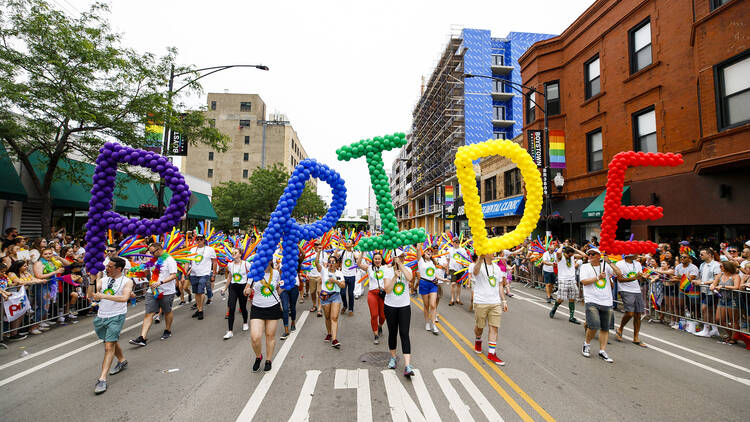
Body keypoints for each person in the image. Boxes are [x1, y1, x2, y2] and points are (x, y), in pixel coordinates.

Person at [92, 257, 133, 395]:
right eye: (106, 266)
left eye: (110, 266)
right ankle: (122, 360)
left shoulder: (127, 281)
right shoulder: (103, 280)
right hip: (101, 317)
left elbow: (124, 298)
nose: (106, 268)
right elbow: (90, 295)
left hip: (117, 316)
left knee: (109, 346)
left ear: (119, 269)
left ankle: (102, 379)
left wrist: (103, 296)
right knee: (111, 341)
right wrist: (91, 281)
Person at [129, 241, 177, 346]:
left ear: (159, 249)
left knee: (167, 311)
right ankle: (142, 337)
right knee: (148, 313)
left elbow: (174, 275)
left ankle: (167, 330)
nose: (150, 255)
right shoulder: (153, 261)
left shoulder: (170, 260)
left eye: (152, 252)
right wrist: (143, 271)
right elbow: (149, 273)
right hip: (152, 290)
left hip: (166, 291)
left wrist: (160, 282)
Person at [579, 248, 621, 363]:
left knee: (605, 327)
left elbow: (619, 274)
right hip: (591, 300)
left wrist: (609, 262)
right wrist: (598, 277)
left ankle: (602, 351)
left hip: (606, 301)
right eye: (589, 254)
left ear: (599, 256)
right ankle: (586, 344)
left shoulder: (606, 266)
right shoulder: (585, 266)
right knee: (594, 325)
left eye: (593, 254)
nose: (590, 255)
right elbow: (584, 281)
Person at [244, 259, 282, 372]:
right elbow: (246, 289)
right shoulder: (254, 273)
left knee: (270, 336)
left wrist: (283, 290)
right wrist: (247, 291)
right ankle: (258, 356)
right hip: (257, 307)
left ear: (271, 261)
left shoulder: (276, 273)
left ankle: (268, 360)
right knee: (255, 337)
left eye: (268, 260)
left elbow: (278, 289)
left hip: (273, 306)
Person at [471, 252, 508, 366]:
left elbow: (500, 285)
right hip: (481, 302)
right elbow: (475, 272)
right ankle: (478, 339)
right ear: (485, 253)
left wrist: (503, 300)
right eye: (491, 251)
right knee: (480, 327)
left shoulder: (497, 268)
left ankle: (492, 353)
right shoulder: (477, 265)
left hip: (495, 302)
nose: (494, 253)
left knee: (494, 327)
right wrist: (480, 259)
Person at [384, 251, 416, 376]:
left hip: (404, 306)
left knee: (404, 333)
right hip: (390, 306)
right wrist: (394, 277)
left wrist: (401, 266)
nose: (402, 258)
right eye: (399, 257)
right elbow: (387, 290)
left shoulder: (407, 268)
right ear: (393, 258)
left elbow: (409, 278)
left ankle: (408, 365)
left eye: (403, 256)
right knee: (392, 332)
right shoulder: (387, 270)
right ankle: (393, 358)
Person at [614, 254, 648, 347]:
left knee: (638, 314)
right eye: (635, 253)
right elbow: (620, 279)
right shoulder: (619, 264)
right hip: (625, 290)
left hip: (636, 290)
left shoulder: (637, 264)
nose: (637, 255)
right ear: (629, 254)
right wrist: (634, 278)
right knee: (629, 313)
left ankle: (636, 337)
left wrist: (644, 276)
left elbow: (639, 276)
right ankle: (620, 329)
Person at [358, 251, 391, 344]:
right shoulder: (369, 268)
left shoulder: (385, 267)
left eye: (379, 259)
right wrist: (362, 252)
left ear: (381, 260)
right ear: (373, 259)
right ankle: (375, 334)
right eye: (375, 259)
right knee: (374, 315)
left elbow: (395, 264)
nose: (377, 260)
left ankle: (380, 325)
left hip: (383, 294)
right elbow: (359, 264)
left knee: (383, 316)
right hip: (372, 293)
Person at [549, 246, 583, 324]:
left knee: (572, 298)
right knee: (561, 298)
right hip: (563, 280)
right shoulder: (560, 257)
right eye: (569, 255)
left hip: (572, 280)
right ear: (565, 253)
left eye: (572, 255)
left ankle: (571, 317)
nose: (571, 256)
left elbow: (583, 255)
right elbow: (558, 252)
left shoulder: (572, 256)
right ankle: (554, 308)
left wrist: (574, 249)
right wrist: (562, 246)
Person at [187, 235, 217, 320]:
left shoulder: (210, 249)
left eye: (201, 239)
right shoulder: (192, 249)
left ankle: (200, 310)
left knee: (200, 291)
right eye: (197, 239)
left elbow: (214, 262)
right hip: (193, 274)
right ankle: (199, 309)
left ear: (204, 240)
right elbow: (187, 262)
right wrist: (185, 272)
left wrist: (214, 274)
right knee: (196, 293)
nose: (199, 240)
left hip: (205, 274)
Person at [221, 249, 249, 340]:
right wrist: (225, 288)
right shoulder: (230, 265)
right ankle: (230, 331)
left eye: (235, 253)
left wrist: (248, 287)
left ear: (240, 254)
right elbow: (229, 277)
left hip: (243, 287)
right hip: (233, 287)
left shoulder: (246, 264)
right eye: (232, 253)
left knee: (243, 307)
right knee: (231, 307)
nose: (233, 254)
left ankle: (245, 322)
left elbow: (251, 276)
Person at [710, 261, 741, 344]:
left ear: (727, 267)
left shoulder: (735, 276)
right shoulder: (720, 275)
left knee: (733, 320)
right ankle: (731, 335)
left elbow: (736, 287)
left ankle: (734, 338)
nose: (720, 268)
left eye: (721, 266)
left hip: (733, 300)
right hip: (722, 299)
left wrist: (723, 286)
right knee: (719, 319)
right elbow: (714, 283)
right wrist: (712, 286)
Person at [319, 254, 345, 348]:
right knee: (327, 317)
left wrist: (335, 281)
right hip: (325, 297)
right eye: (329, 261)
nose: (331, 263)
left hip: (335, 296)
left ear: (337, 264)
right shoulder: (323, 271)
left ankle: (334, 339)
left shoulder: (339, 273)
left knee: (334, 317)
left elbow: (343, 286)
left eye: (333, 262)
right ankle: (329, 333)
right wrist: (318, 251)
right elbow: (316, 263)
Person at [695, 248, 721, 337]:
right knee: (709, 310)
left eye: (702, 254)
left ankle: (706, 330)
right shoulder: (702, 265)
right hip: (703, 290)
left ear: (709, 255)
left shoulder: (716, 265)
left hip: (711, 291)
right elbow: (700, 277)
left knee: (704, 309)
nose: (700, 256)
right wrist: (697, 281)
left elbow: (716, 279)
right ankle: (714, 329)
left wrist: (702, 283)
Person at [415, 245, 440, 334]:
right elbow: (418, 253)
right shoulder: (421, 261)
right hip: (424, 284)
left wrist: (440, 279)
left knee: (433, 305)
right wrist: (418, 248)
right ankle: (427, 322)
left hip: (433, 284)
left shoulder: (433, 263)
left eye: (431, 252)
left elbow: (434, 274)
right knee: (426, 305)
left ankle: (434, 324)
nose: (429, 252)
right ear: (424, 253)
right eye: (427, 251)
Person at [280, 249, 302, 340]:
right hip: (284, 288)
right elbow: (280, 275)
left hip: (294, 287)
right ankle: (286, 330)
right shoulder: (282, 262)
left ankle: (293, 322)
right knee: (285, 308)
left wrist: (297, 246)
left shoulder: (296, 261)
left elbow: (303, 254)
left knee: (292, 307)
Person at [336, 240, 358, 316]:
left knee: (350, 294)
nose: (347, 243)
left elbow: (357, 257)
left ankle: (351, 309)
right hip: (343, 275)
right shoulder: (342, 252)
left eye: (349, 242)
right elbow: (335, 255)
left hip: (352, 275)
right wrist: (338, 246)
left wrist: (352, 249)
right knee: (342, 293)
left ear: (352, 244)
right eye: (347, 242)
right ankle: (345, 305)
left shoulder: (354, 252)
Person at [447, 237, 468, 306]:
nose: (457, 243)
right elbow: (448, 260)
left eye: (458, 242)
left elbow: (466, 259)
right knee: (453, 284)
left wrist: (465, 269)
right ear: (453, 243)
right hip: (452, 268)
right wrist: (447, 269)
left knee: (459, 284)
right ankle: (452, 299)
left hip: (460, 269)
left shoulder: (462, 250)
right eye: (456, 242)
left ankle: (458, 299)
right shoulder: (450, 250)